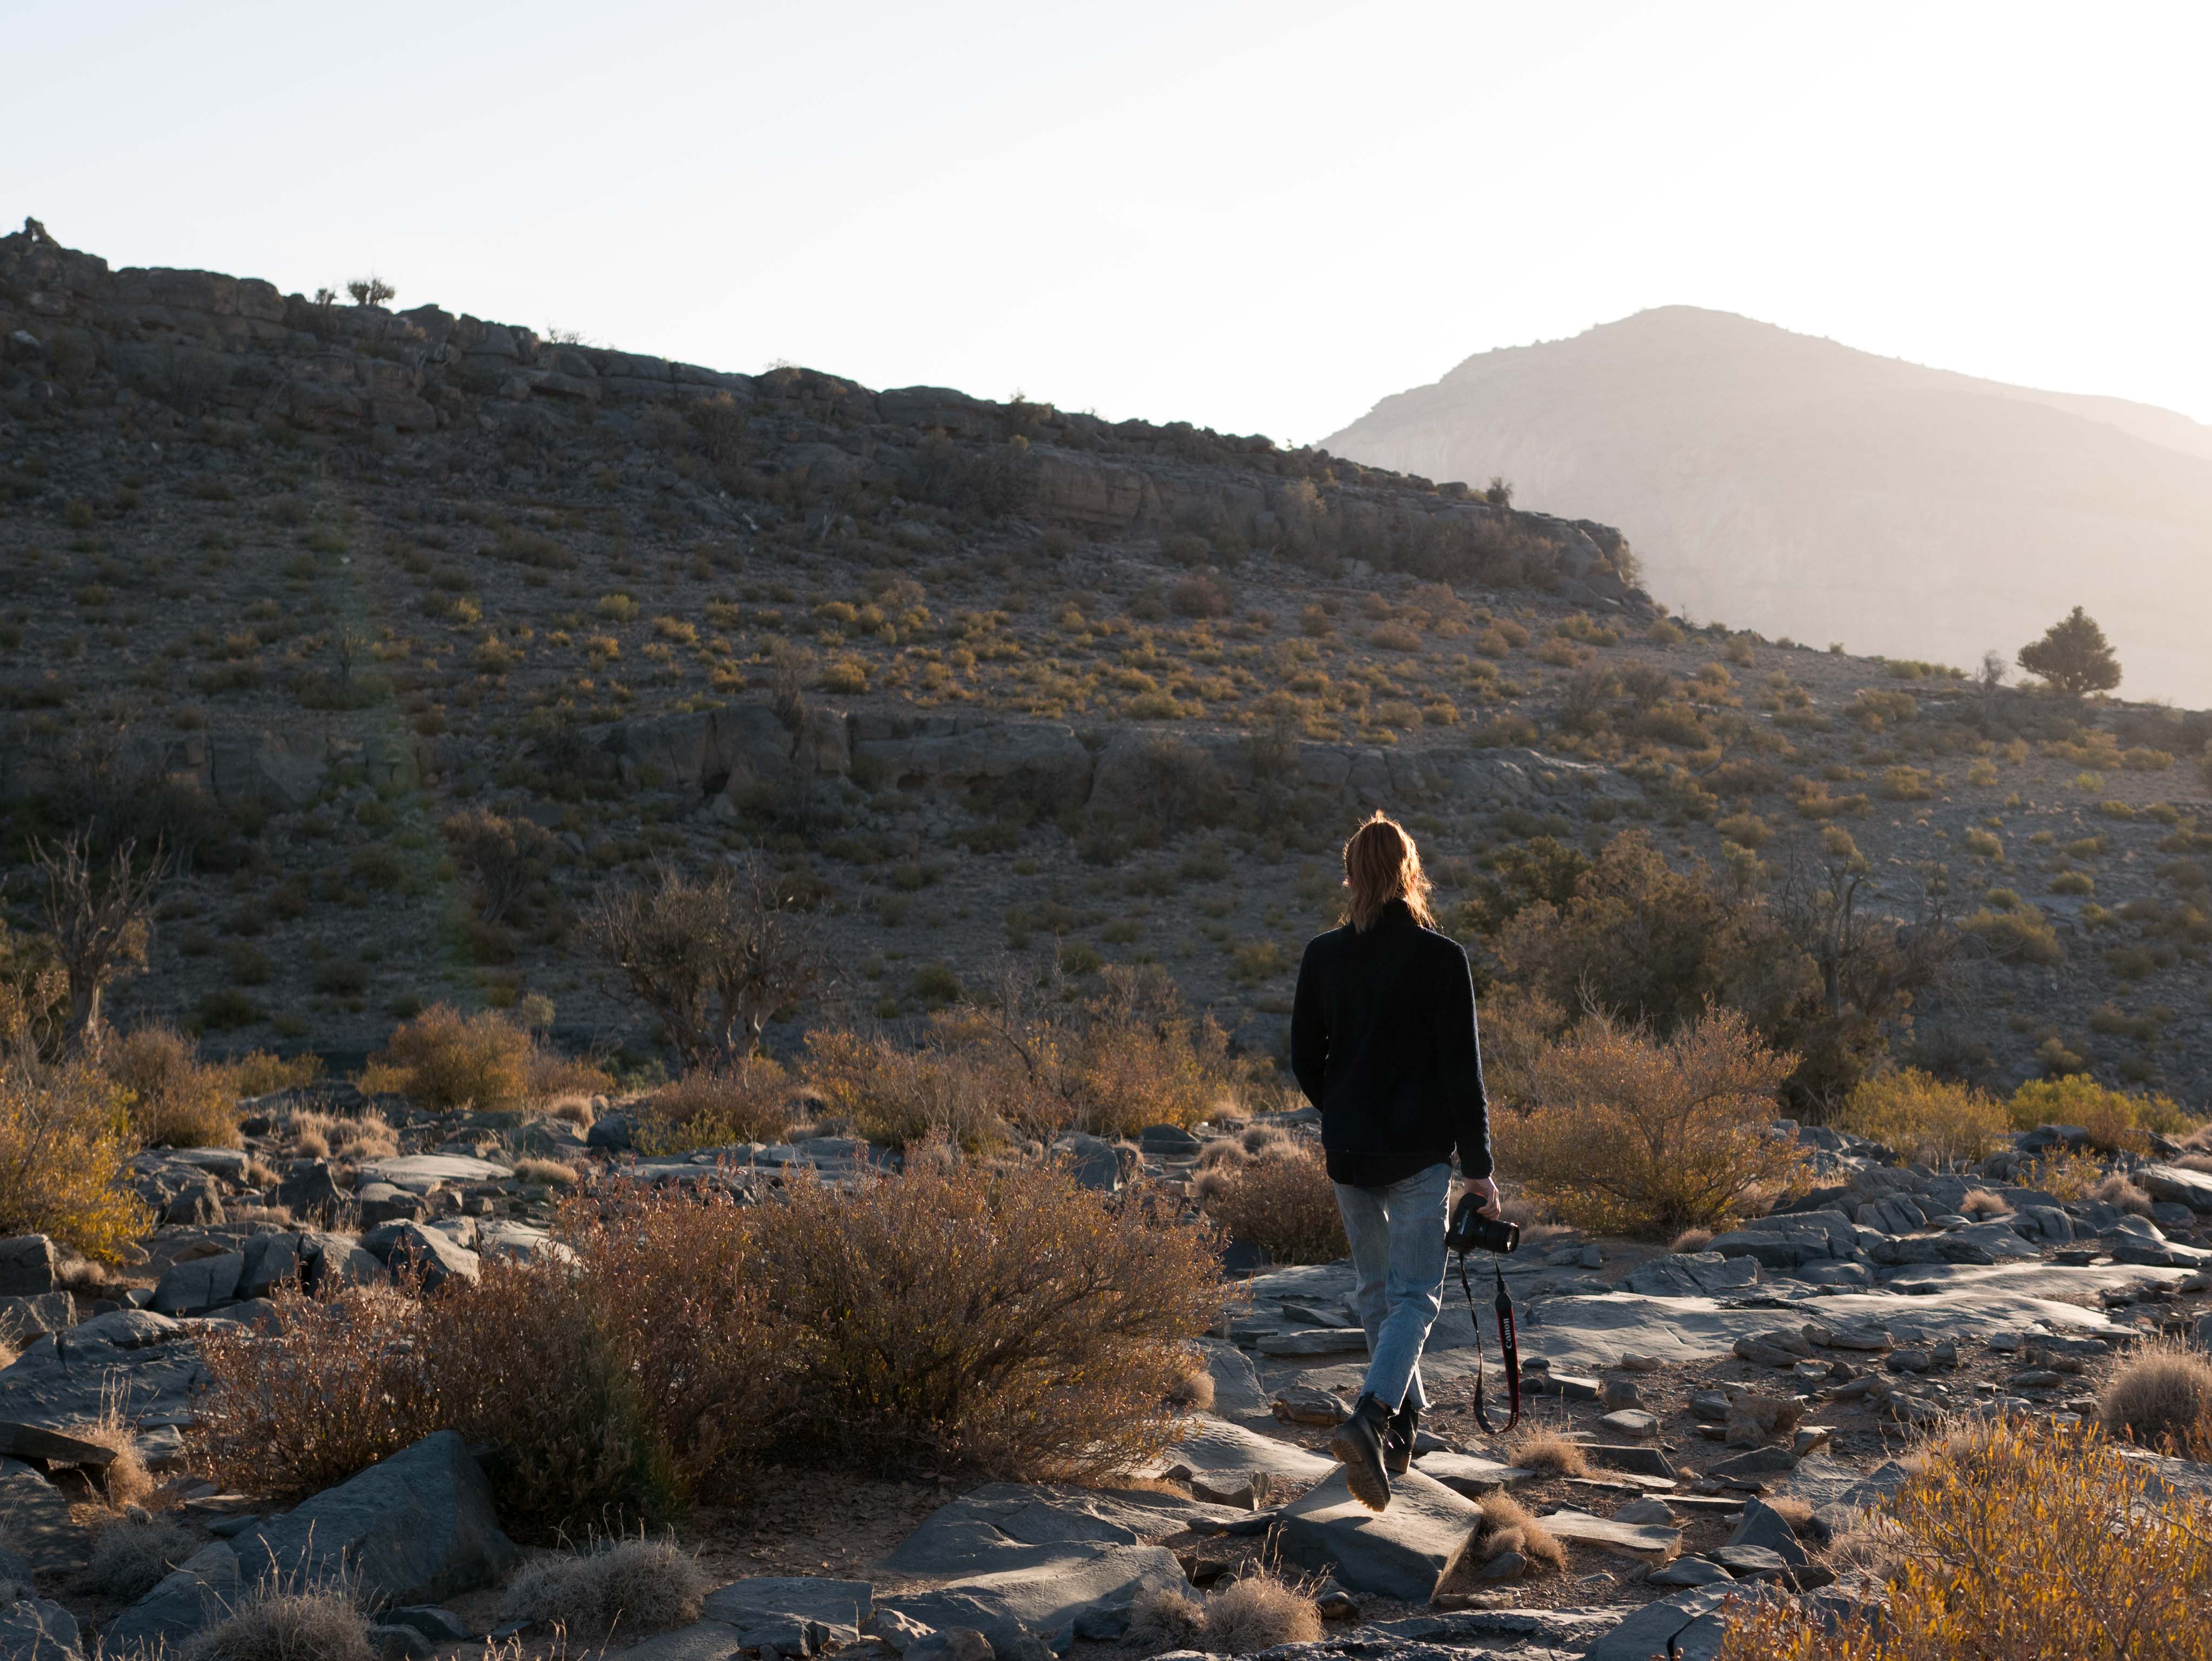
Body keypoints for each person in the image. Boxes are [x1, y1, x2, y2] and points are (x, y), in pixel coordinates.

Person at [1290, 811, 1497, 1512]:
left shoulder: (1323, 954)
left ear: (1350, 874)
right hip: (1415, 1152)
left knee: (1376, 1292)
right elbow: (1460, 1072)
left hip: (1348, 1149)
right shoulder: (1441, 958)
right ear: (1410, 872)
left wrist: (1343, 1104)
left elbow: (1302, 1058)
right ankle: (1371, 1416)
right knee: (1416, 1296)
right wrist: (1479, 1167)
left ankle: (1403, 1424)